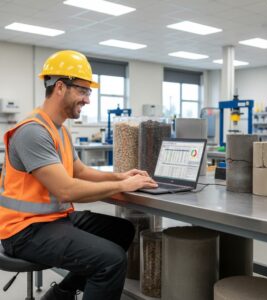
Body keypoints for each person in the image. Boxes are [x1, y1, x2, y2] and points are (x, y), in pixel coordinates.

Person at [0, 50, 158, 300]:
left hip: (53, 219)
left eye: (88, 92)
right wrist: (127, 183)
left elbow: (79, 171)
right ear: (60, 87)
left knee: (122, 231)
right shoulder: (33, 132)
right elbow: (67, 190)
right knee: (111, 261)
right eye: (83, 91)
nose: (87, 100)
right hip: (24, 230)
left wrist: (120, 177)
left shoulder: (59, 130)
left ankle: (62, 292)